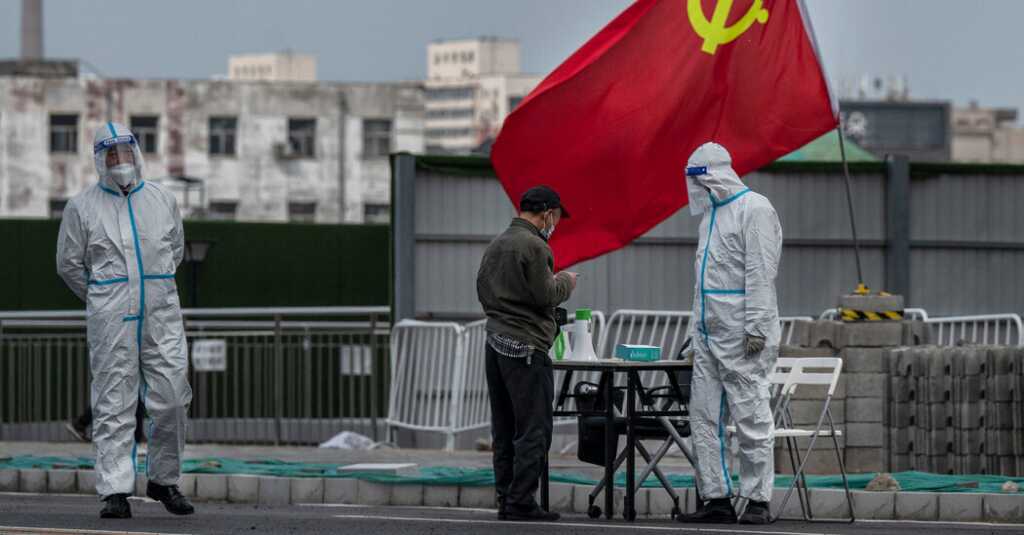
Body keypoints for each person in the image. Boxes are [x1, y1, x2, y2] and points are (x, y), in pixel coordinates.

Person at [57, 122, 195, 519]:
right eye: (111, 153)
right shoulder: (82, 207)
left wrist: (153, 289)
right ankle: (115, 490)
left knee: (172, 398)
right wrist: (102, 297)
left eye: (125, 151)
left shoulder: (162, 199)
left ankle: (163, 480)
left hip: (161, 313)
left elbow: (175, 250)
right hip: (112, 317)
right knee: (113, 402)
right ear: (100, 159)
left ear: (136, 153)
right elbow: (69, 264)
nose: (120, 160)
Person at [677, 142, 782, 525]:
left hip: (742, 335)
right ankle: (716, 498)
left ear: (718, 174)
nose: (697, 189)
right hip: (709, 335)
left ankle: (757, 500)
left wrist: (756, 327)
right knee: (704, 418)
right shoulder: (710, 217)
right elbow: (702, 284)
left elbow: (761, 272)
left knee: (751, 415)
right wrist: (695, 334)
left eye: (701, 180)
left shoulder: (755, 209)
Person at [476, 185, 578, 521]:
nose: (556, 223)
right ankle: (521, 500)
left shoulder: (497, 243)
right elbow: (546, 294)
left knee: (504, 428)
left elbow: (482, 289)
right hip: (527, 347)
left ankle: (506, 497)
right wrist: (566, 281)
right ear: (547, 213)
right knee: (534, 428)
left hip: (495, 343)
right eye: (556, 217)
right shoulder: (534, 246)